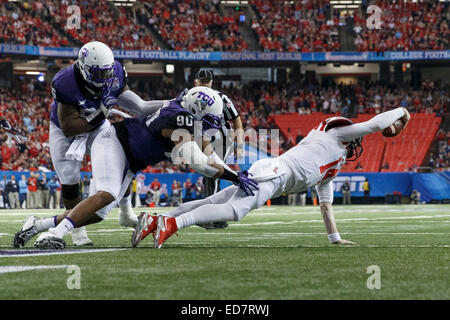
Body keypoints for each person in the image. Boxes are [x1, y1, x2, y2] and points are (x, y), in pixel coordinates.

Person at [16, 86, 258, 249]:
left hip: (129, 157)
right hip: (116, 143)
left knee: (97, 214)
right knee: (106, 194)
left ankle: (37, 225)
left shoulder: (186, 112)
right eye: (208, 119)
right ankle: (54, 235)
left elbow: (209, 154)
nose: (210, 125)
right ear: (195, 111)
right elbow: (201, 164)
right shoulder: (180, 119)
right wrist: (235, 178)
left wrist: (235, 172)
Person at [134, 107, 411, 248]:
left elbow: (326, 206)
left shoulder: (334, 164)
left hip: (275, 176)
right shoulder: (333, 133)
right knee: (233, 211)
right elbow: (376, 124)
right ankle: (173, 223)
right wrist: (402, 113)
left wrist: (335, 239)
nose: (355, 142)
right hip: (277, 173)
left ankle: (158, 219)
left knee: (216, 200)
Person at [36, 41, 168, 247]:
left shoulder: (115, 72)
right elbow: (70, 127)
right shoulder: (66, 82)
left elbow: (140, 107)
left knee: (122, 155)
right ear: (84, 69)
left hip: (97, 123)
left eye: (107, 72)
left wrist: (172, 104)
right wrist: (101, 113)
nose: (106, 78)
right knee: (70, 179)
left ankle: (126, 211)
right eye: (99, 74)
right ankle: (77, 232)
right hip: (65, 130)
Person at [193, 68, 244, 230]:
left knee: (211, 174)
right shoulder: (191, 97)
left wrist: (240, 145)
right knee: (209, 176)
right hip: (204, 140)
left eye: (206, 83)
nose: (205, 85)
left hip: (220, 140)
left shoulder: (220, 98)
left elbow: (236, 121)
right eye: (203, 83)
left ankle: (211, 216)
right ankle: (217, 216)